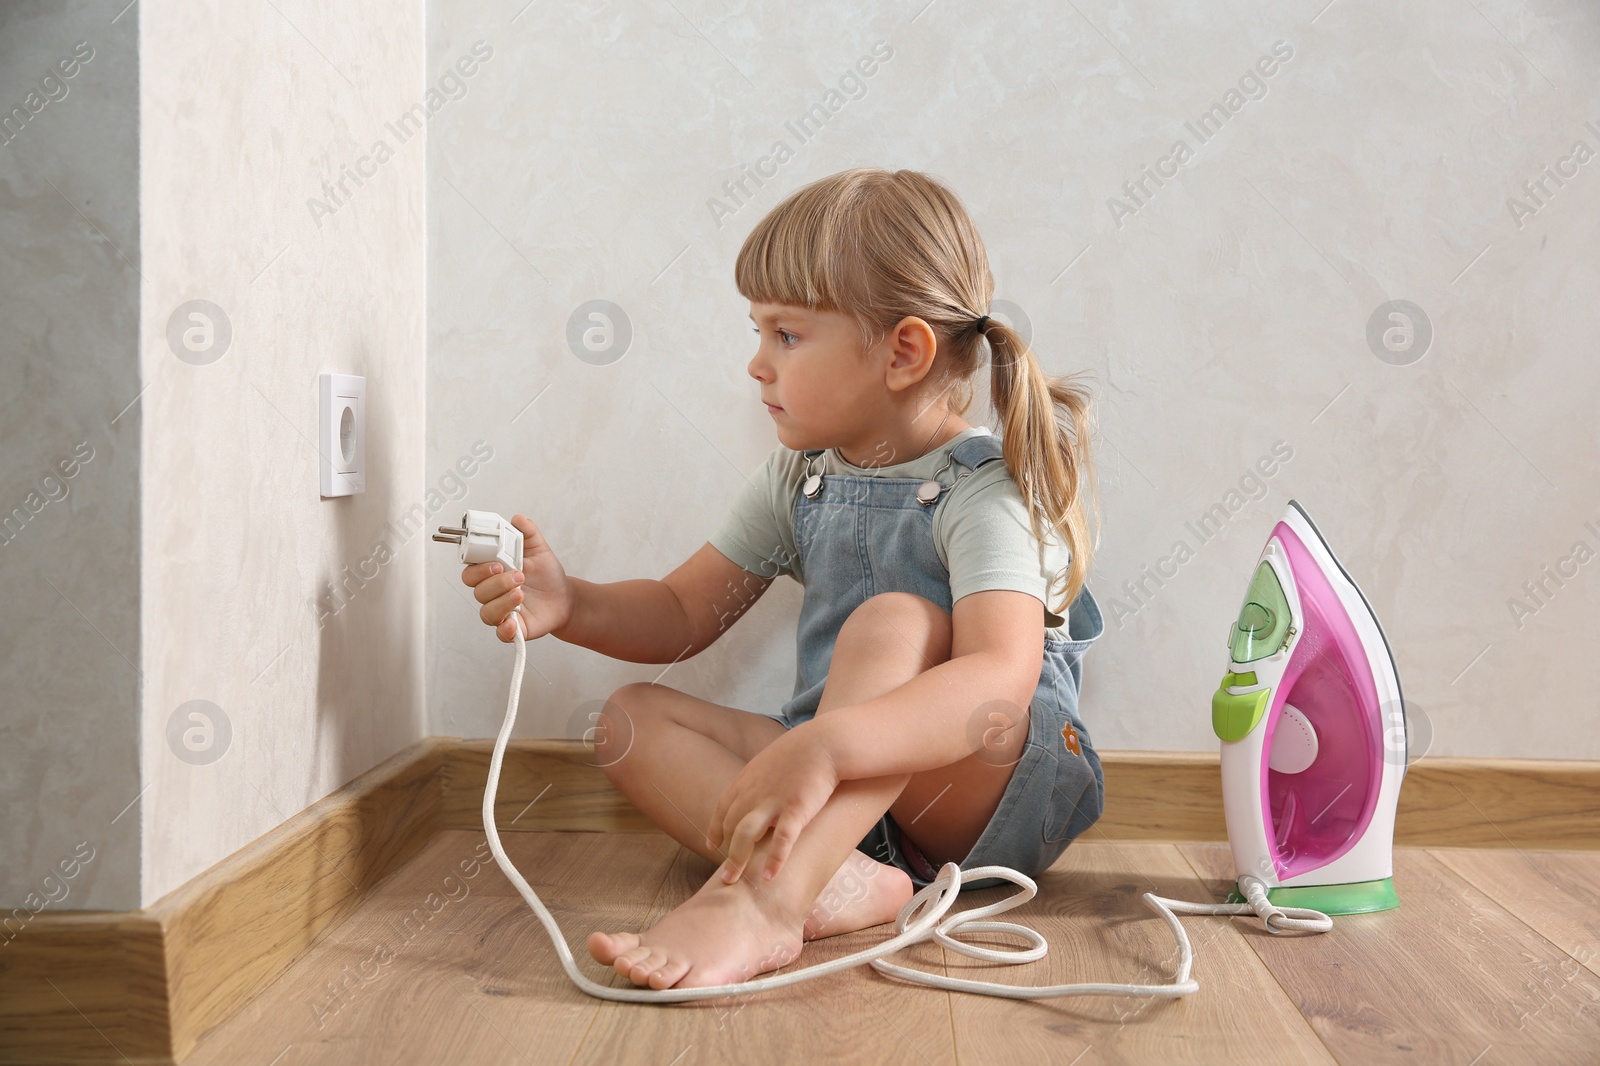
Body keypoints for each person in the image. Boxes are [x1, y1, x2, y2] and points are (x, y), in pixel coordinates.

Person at [460, 167, 1106, 991]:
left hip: (987, 792)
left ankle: (765, 904)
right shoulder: (798, 477)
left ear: (902, 352)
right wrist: (572, 601)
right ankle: (837, 879)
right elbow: (681, 612)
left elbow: (998, 682)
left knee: (895, 619)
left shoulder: (983, 493)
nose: (757, 365)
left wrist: (828, 745)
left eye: (786, 336)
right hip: (844, 800)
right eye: (759, 333)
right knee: (628, 721)